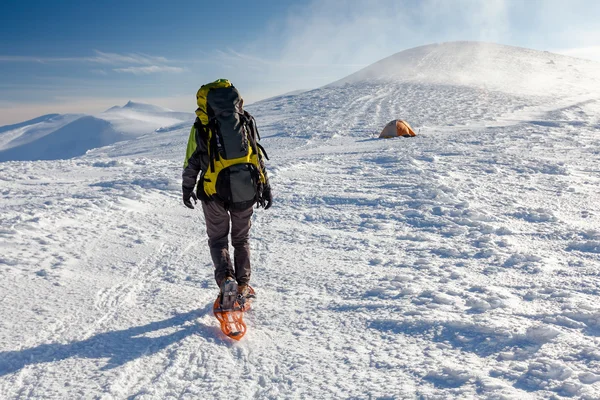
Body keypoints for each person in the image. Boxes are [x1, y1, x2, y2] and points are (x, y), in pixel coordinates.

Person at [181, 79, 272, 306]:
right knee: (241, 239)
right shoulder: (244, 121)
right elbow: (257, 157)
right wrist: (266, 187)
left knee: (218, 240)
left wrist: (187, 188)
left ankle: (226, 281)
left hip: (213, 192)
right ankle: (242, 284)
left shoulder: (202, 125)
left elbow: (191, 161)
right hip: (246, 189)